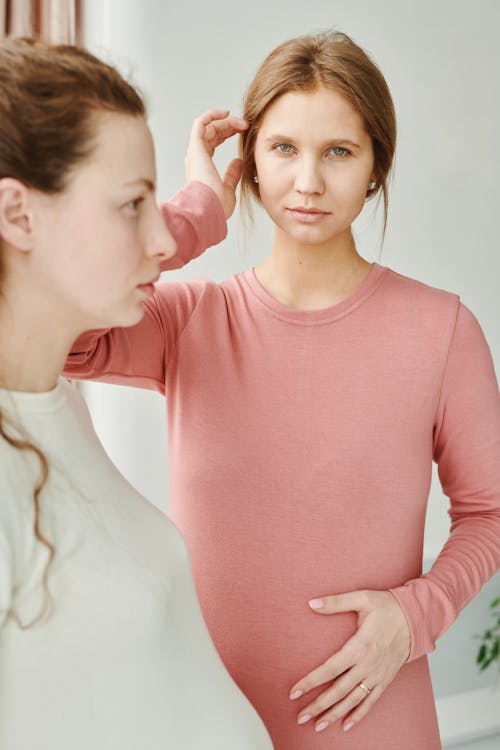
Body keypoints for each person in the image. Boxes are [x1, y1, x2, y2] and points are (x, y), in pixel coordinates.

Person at [64, 31, 500, 750]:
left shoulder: (442, 330)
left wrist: (415, 613)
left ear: (375, 169)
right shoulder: (186, 321)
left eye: (339, 151)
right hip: (205, 724)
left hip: (375, 723)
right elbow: (56, 326)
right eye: (283, 149)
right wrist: (198, 211)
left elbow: (488, 511)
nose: (307, 182)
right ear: (250, 164)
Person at [0, 36, 274, 750]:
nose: (160, 239)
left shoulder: (56, 396)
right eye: (131, 204)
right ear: (17, 216)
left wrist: (201, 206)